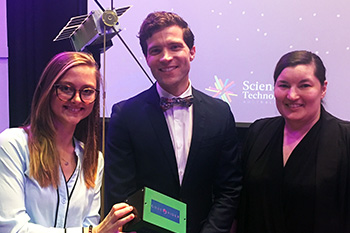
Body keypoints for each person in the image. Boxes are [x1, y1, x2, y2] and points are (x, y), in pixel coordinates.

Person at [104, 11, 242, 233]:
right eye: (155, 51)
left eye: (175, 47)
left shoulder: (220, 113)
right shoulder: (125, 115)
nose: (166, 57)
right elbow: (121, 192)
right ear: (147, 58)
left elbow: (229, 188)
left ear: (192, 51)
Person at [0, 52, 135, 233]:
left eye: (87, 92)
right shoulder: (13, 145)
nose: (77, 99)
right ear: (48, 90)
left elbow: (90, 223)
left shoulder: (94, 159)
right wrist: (92, 232)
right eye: (66, 89)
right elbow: (13, 229)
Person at [237, 50, 350, 233]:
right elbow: (241, 205)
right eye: (283, 85)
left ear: (323, 88)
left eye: (304, 86)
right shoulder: (258, 132)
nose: (292, 95)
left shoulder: (344, 140)